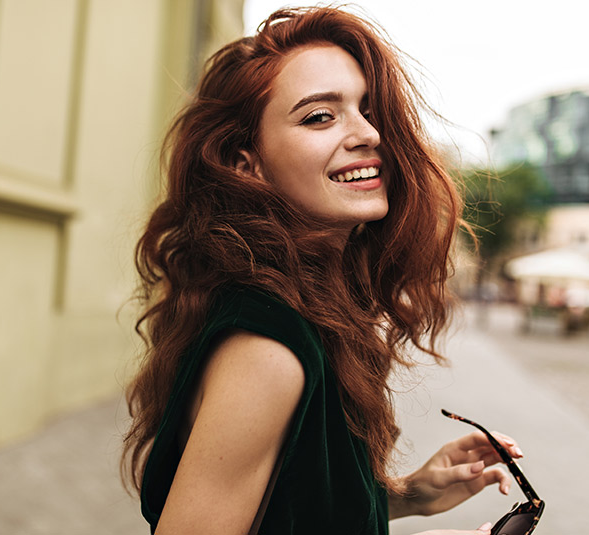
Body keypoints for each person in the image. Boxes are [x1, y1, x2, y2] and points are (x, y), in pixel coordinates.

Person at [122, 6, 523, 535]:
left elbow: (291, 510)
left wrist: (405, 497)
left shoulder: (306, 309)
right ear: (247, 164)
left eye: (366, 109)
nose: (369, 134)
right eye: (319, 116)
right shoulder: (269, 347)